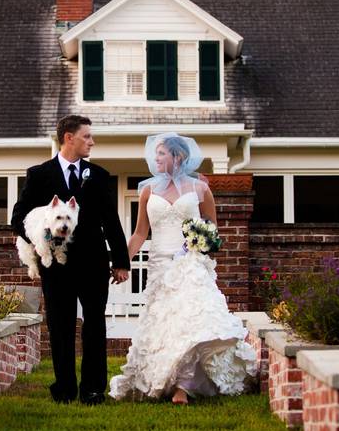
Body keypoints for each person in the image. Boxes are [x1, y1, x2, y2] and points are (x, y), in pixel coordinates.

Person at [109, 133, 257, 404]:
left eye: (162, 153)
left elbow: (213, 228)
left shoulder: (200, 189)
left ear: (178, 157)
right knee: (166, 323)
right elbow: (140, 233)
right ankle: (164, 377)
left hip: (190, 264)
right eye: (156, 154)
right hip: (160, 266)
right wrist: (122, 260)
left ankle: (183, 386)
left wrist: (201, 239)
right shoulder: (147, 191)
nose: (156, 158)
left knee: (191, 320)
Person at [11, 115, 130, 405]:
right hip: (56, 266)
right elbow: (18, 218)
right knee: (60, 326)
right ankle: (64, 389)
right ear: (69, 137)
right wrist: (41, 246)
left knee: (94, 325)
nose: (92, 141)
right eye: (87, 136)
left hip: (93, 263)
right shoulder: (39, 174)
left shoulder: (99, 175)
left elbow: (111, 220)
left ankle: (93, 390)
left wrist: (121, 261)